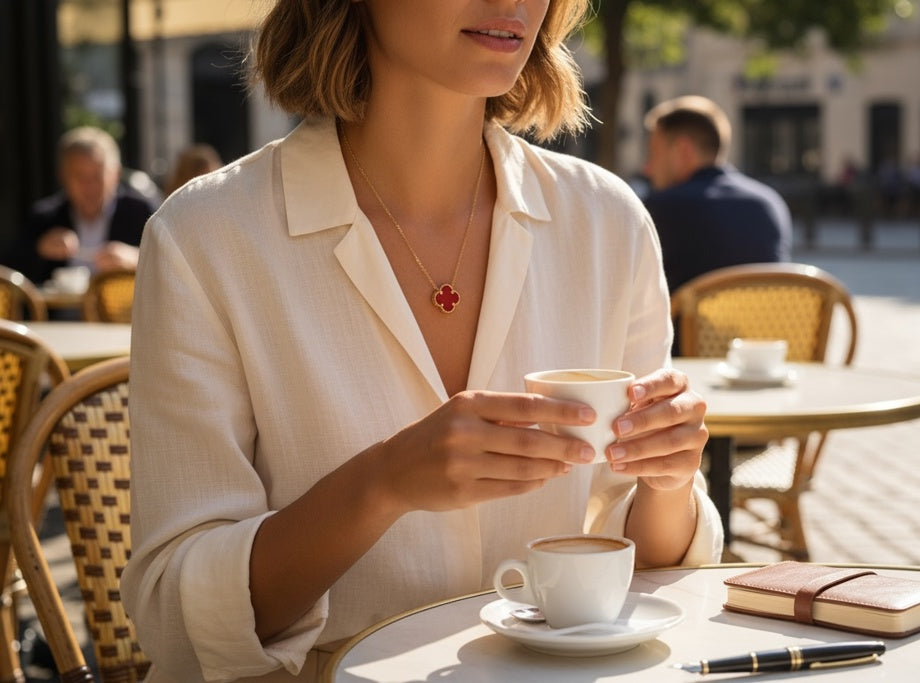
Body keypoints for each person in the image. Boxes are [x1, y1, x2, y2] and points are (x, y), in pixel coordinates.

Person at [121, 2, 724, 681]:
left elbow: (646, 571)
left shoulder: (608, 223)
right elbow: (175, 618)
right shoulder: (206, 238)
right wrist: (382, 482)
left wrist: (669, 481)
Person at [642, 95, 792, 294]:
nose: (647, 169)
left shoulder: (660, 208)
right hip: (769, 315)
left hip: (689, 316)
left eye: (653, 153)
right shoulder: (770, 204)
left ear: (683, 150)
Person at [8, 126, 157, 284]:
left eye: (97, 176)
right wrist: (40, 248)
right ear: (63, 176)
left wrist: (135, 258)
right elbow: (10, 271)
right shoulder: (45, 217)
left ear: (115, 174)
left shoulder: (142, 213)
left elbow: (166, 262)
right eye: (79, 176)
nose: (89, 186)